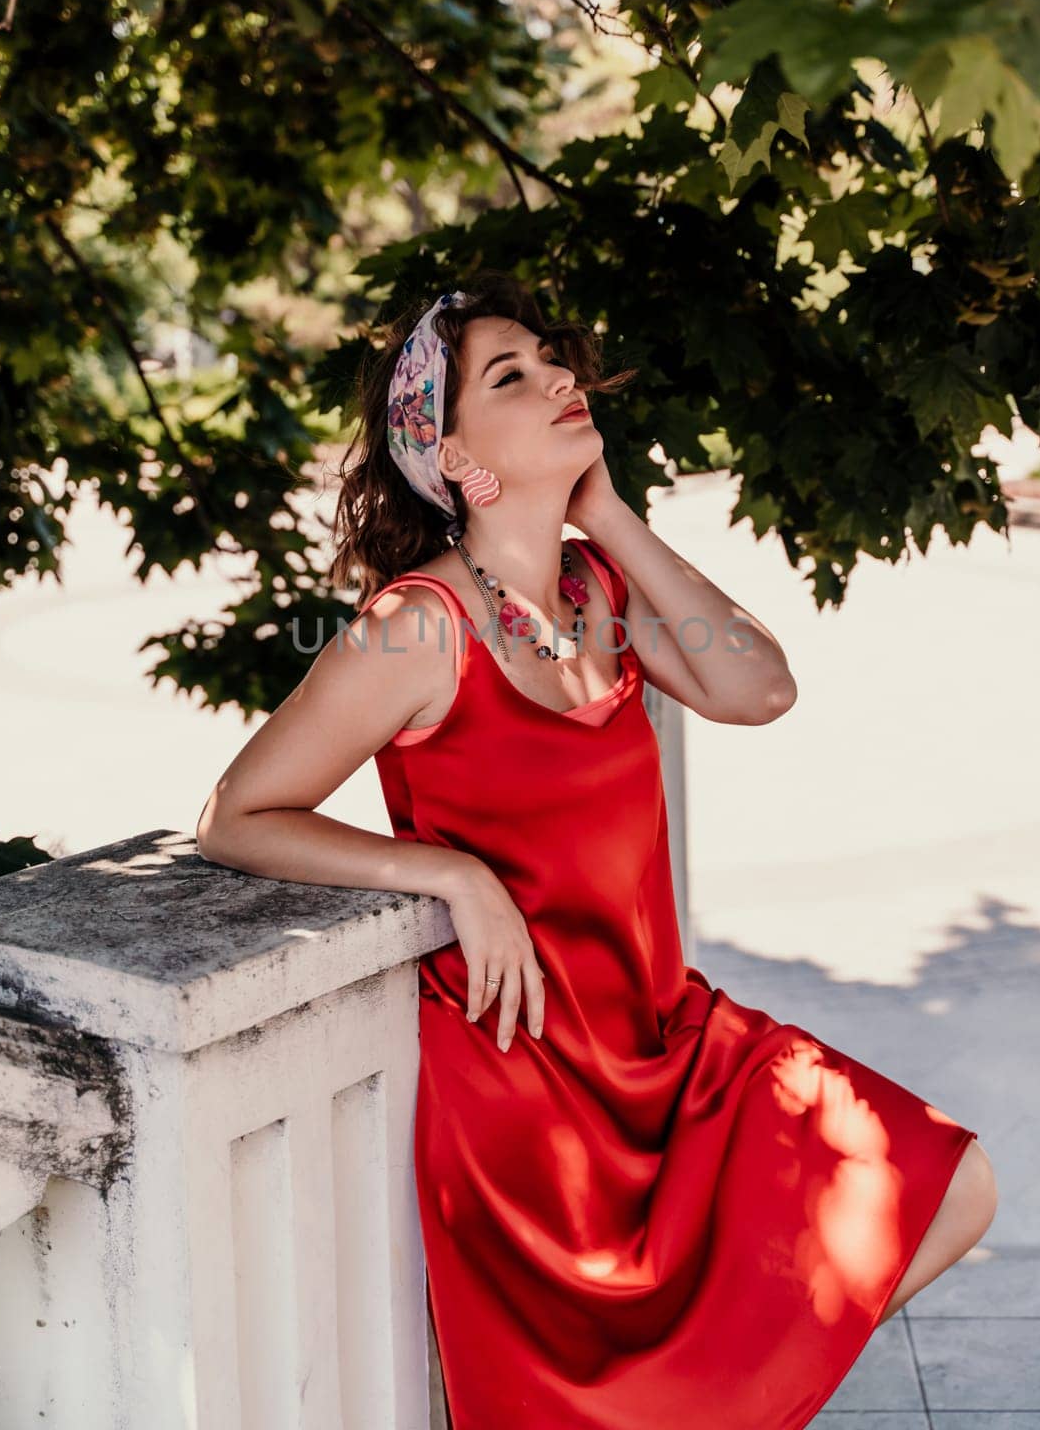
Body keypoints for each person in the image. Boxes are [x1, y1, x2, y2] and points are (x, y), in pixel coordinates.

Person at [196, 271, 996, 1429]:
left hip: (667, 1045)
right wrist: (447, 871)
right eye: (509, 377)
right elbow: (237, 813)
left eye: (549, 358)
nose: (560, 377)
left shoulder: (599, 591)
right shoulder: (416, 624)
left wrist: (607, 513)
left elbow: (758, 687)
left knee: (944, 1189)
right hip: (527, 1094)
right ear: (451, 452)